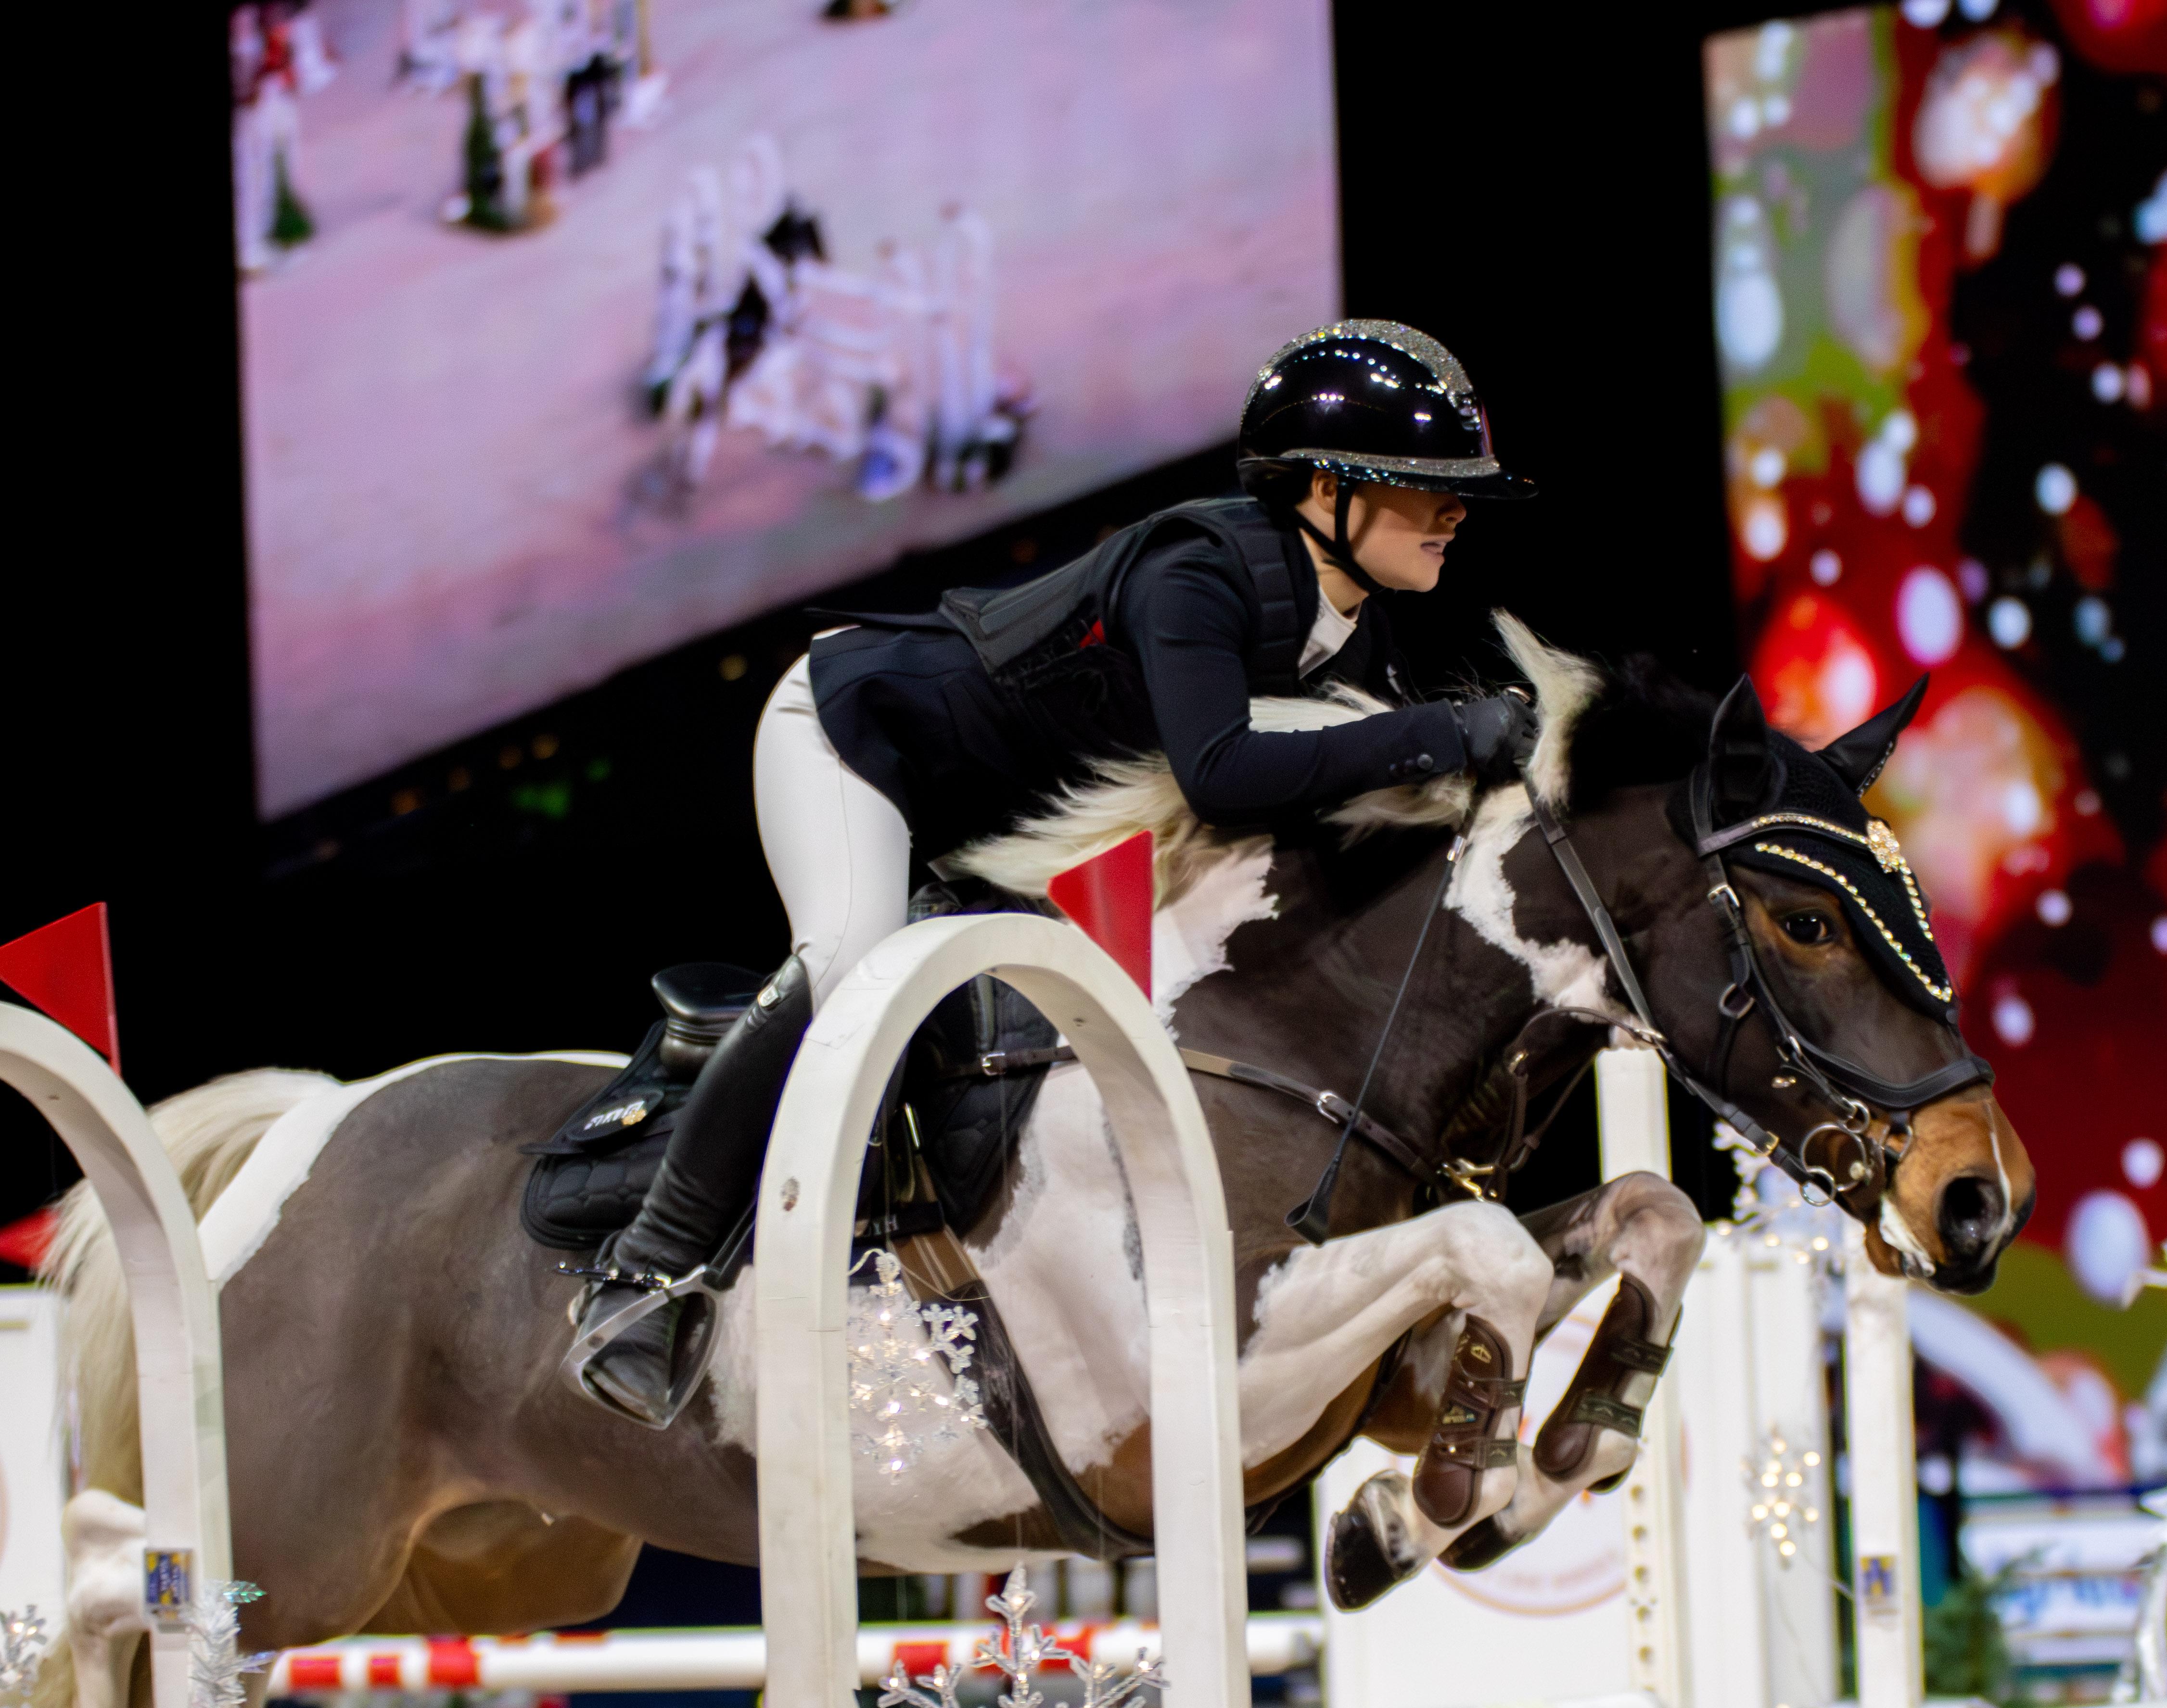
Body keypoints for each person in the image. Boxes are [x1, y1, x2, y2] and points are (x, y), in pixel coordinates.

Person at [564, 318, 1541, 1426]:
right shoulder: (1200, 570)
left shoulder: (1355, 637)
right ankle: (648, 1275)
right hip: (862, 742)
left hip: (1020, 828)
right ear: (1327, 490)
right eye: (1425, 487)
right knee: (847, 962)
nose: (1457, 510)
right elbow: (1223, 775)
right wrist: (1437, 733)